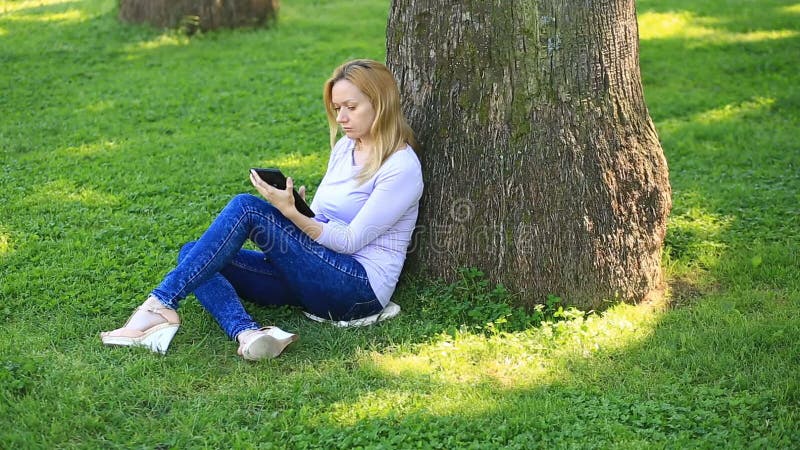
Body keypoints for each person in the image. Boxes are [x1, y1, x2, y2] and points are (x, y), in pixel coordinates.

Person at [100, 59, 423, 360]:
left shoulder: (400, 167)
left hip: (356, 291)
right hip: (315, 275)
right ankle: (247, 333)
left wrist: (292, 215)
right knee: (193, 254)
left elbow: (351, 240)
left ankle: (159, 305)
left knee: (246, 208)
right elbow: (325, 219)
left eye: (351, 107)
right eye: (337, 108)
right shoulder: (345, 147)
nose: (340, 118)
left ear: (380, 104)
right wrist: (295, 207)